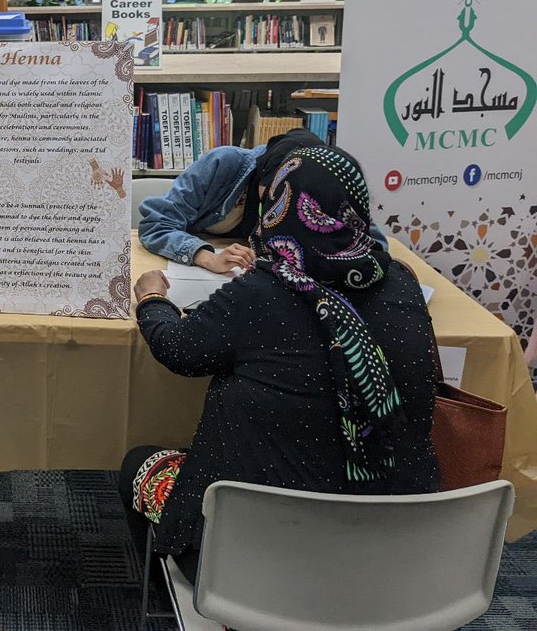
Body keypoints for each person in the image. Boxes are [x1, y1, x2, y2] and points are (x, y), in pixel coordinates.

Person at [121, 145, 440, 582]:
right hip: (391, 554)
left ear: (278, 207)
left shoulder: (261, 292)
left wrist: (152, 299)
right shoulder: (401, 283)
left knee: (138, 464)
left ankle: (185, 593)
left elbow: (178, 350)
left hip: (250, 561)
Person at [138, 127, 388, 273]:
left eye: (291, 196)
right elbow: (156, 224)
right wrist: (207, 257)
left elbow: (370, 241)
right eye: (274, 192)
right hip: (206, 277)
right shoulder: (223, 164)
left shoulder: (321, 180)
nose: (279, 204)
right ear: (264, 173)